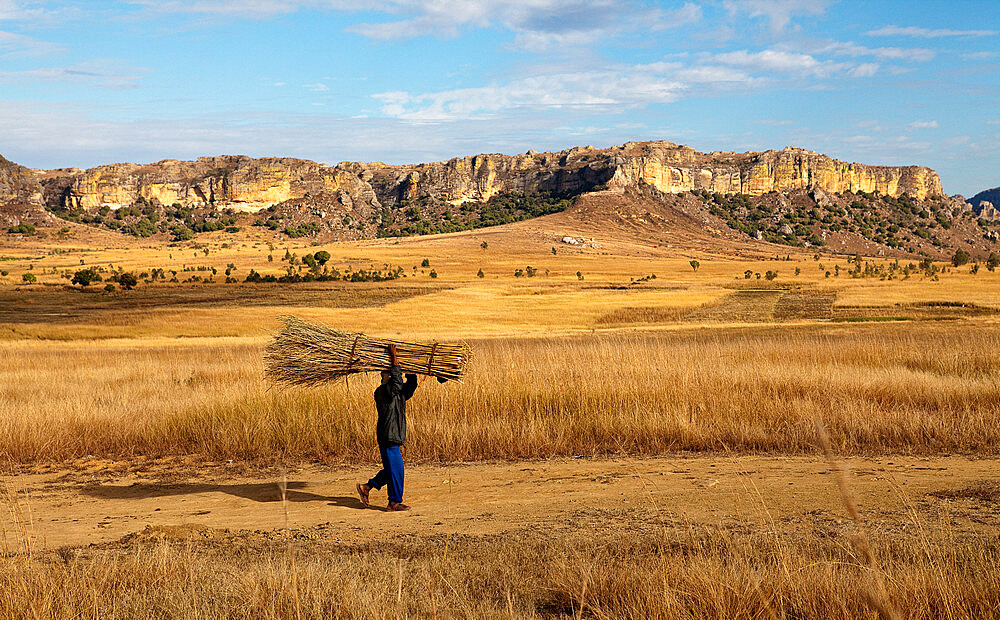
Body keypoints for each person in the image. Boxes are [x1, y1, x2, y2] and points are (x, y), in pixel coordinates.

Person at [357, 344, 417, 512]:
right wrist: (394, 357)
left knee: (392, 468)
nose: (390, 375)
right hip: (388, 436)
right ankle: (394, 503)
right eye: (387, 373)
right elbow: (397, 383)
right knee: (397, 469)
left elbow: (409, 387)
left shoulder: (397, 393)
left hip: (393, 435)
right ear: (383, 376)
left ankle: (367, 487)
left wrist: (412, 368)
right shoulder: (382, 391)